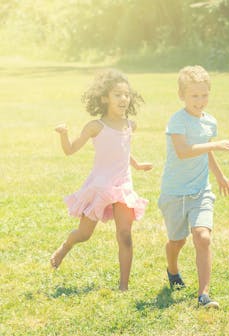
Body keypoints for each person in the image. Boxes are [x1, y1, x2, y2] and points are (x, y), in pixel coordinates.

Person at [50, 69, 152, 292]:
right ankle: (65, 247)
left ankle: (123, 287)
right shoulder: (95, 127)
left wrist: (137, 165)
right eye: (118, 94)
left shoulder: (130, 125)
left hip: (123, 186)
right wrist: (64, 134)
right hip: (100, 185)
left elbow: (123, 151)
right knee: (84, 234)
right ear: (105, 98)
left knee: (125, 235)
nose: (124, 99)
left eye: (126, 94)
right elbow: (70, 150)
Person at [158, 65, 229, 308]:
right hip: (174, 192)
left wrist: (220, 177)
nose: (200, 101)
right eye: (194, 96)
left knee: (202, 237)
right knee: (177, 241)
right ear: (182, 95)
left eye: (204, 95)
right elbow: (183, 152)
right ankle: (172, 269)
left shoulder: (209, 122)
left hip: (201, 191)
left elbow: (206, 152)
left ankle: (204, 294)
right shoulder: (177, 121)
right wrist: (215, 146)